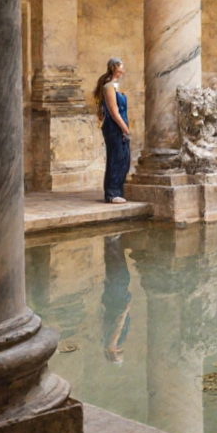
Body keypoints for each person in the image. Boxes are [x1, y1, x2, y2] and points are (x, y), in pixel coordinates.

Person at [94, 58, 131, 204]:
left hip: (120, 124)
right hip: (114, 126)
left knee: (124, 158)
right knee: (116, 158)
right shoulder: (108, 87)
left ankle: (118, 190)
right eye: (120, 66)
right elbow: (114, 111)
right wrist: (124, 128)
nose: (122, 69)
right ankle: (112, 193)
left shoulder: (116, 86)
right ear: (114, 67)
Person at [101, 234, 132, 364]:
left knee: (119, 274)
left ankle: (113, 241)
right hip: (112, 302)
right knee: (115, 273)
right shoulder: (105, 341)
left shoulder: (113, 344)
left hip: (118, 304)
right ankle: (112, 242)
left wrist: (126, 310)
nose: (121, 350)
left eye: (120, 353)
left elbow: (118, 325)